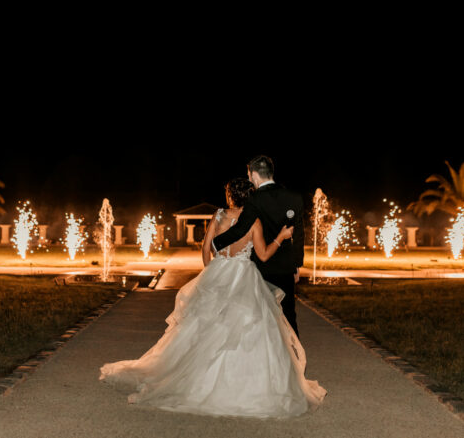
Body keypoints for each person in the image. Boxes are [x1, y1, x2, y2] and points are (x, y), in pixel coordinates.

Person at [99, 178, 326, 419]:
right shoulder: (254, 221)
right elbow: (263, 254)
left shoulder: (218, 216)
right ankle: (242, 384)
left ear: (230, 196)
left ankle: (195, 378)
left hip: (217, 273)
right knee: (250, 327)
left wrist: (211, 274)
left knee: (204, 329)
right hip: (243, 277)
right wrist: (281, 236)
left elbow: (206, 247)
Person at [213, 155, 304, 337]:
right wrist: (296, 265)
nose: (249, 179)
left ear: (254, 175)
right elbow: (300, 235)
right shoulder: (294, 197)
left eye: (249, 175)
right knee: (288, 315)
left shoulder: (255, 199)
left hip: (260, 267)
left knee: (261, 316)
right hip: (285, 267)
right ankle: (295, 361)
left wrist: (217, 243)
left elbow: (241, 228)